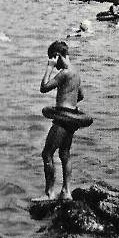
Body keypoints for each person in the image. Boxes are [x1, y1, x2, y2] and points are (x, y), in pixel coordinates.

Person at [39, 40, 84, 201]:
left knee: (47, 154)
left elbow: (44, 87)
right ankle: (66, 191)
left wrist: (49, 67)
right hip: (72, 119)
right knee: (65, 153)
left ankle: (49, 193)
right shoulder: (76, 73)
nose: (54, 63)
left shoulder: (64, 73)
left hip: (62, 120)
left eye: (53, 58)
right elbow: (81, 95)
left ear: (57, 56)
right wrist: (69, 99)